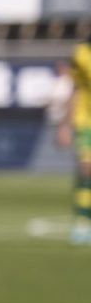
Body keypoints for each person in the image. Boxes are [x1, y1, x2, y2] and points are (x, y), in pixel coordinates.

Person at [54, 37, 91, 245]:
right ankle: (82, 222)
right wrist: (65, 124)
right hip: (87, 120)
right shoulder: (81, 53)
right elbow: (76, 89)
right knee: (86, 168)